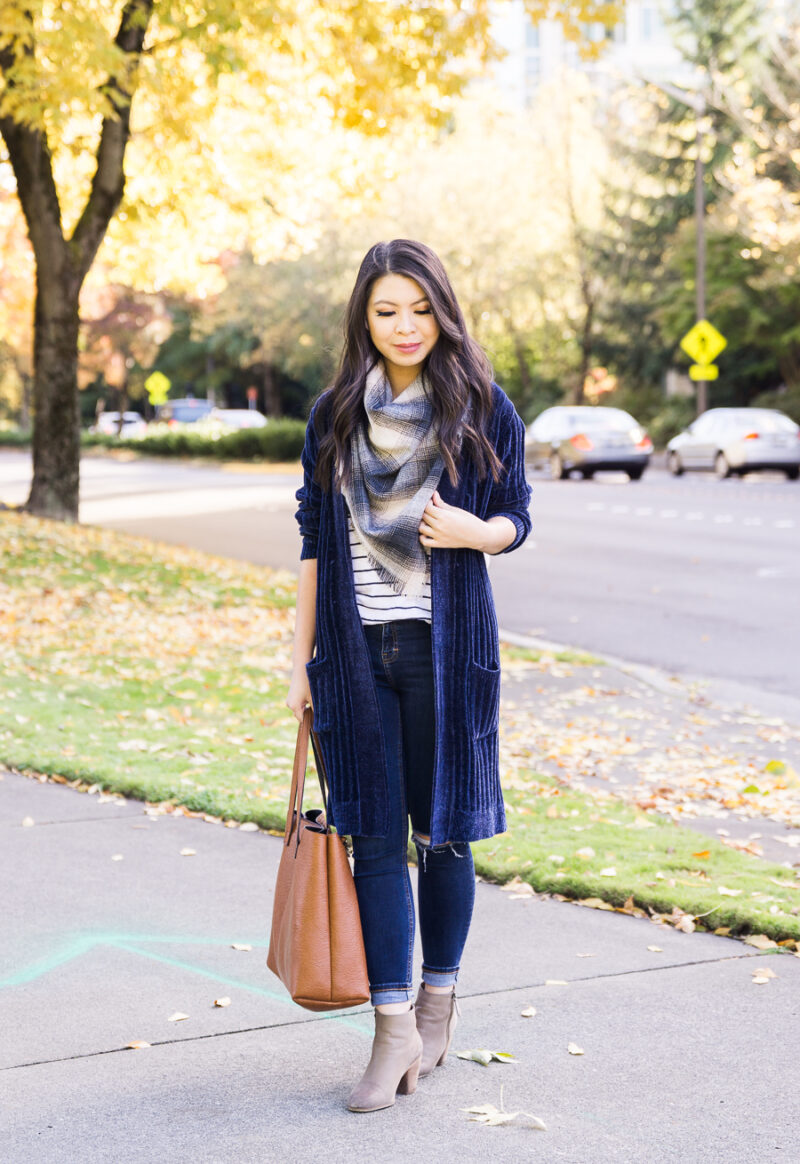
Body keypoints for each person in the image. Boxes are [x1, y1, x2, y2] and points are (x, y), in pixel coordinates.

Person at [287, 239, 531, 1113]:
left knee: (444, 834)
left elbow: (516, 520)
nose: (404, 326)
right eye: (387, 310)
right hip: (355, 661)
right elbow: (316, 542)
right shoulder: (334, 417)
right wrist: (301, 661)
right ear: (364, 316)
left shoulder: (480, 407)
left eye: (420, 309)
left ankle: (439, 1000)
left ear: (443, 311)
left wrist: (473, 532)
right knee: (374, 843)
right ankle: (390, 1030)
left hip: (444, 654)